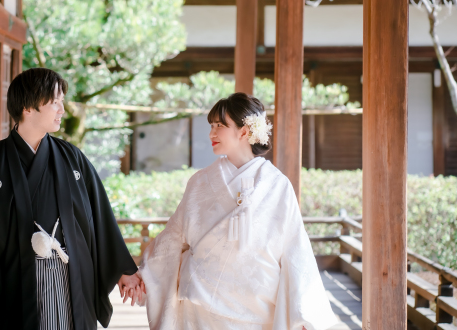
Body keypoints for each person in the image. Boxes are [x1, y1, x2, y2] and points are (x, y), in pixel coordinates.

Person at [0, 68, 144, 330]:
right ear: (28, 106)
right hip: (21, 280)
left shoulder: (72, 157)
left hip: (72, 277)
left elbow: (101, 216)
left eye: (61, 102)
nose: (62, 110)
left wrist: (122, 269)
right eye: (55, 103)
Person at [138, 93, 338, 330]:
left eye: (220, 126)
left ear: (244, 132)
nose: (212, 133)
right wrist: (143, 273)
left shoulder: (277, 185)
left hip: (257, 311)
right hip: (200, 310)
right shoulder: (200, 182)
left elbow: (295, 248)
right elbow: (173, 237)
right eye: (211, 126)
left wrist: (302, 313)